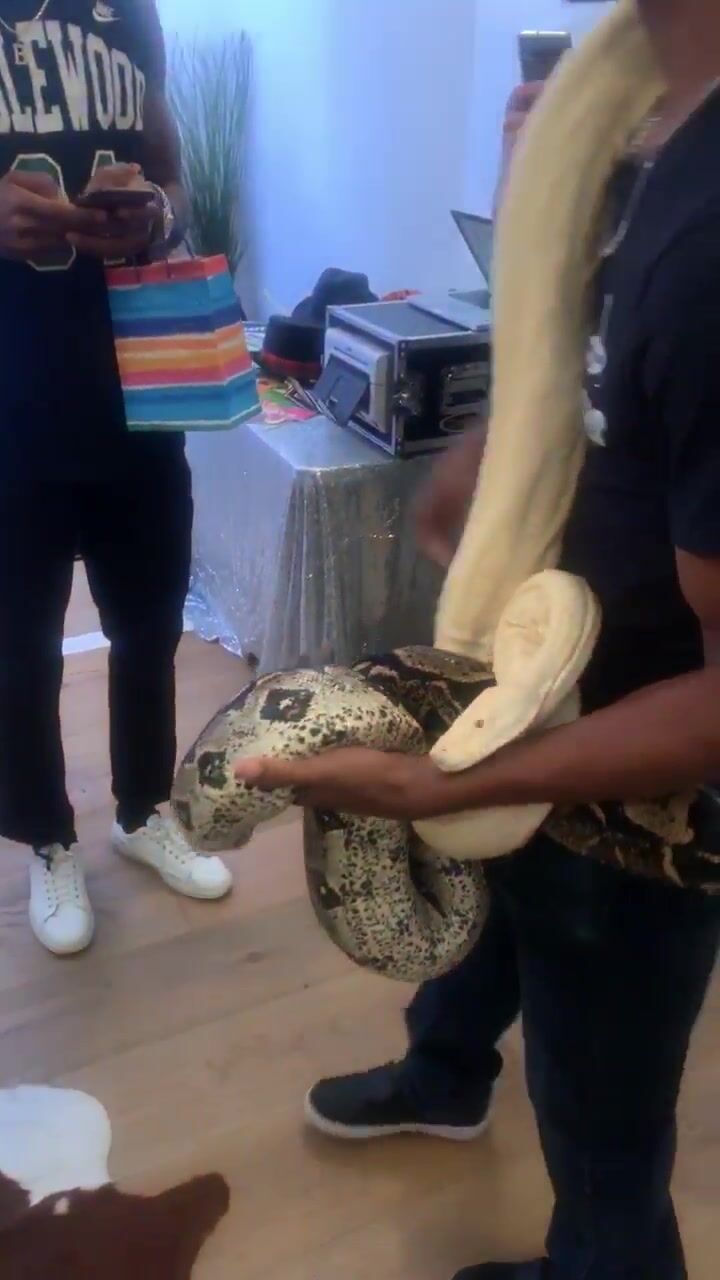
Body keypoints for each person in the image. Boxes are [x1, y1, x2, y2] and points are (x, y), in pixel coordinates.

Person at [235, 3, 720, 1277]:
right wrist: (494, 434)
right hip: (543, 661)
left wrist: (447, 780)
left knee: (601, 1121)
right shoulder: (650, 122)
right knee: (500, 903)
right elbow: (608, 374)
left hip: (642, 768)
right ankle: (447, 1068)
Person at [0, 0, 232, 958]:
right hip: (9, 395)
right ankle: (47, 839)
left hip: (139, 374)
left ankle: (142, 810)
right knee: (18, 646)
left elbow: (171, 170)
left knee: (150, 622)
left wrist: (156, 213)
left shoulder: (132, 12)